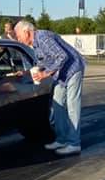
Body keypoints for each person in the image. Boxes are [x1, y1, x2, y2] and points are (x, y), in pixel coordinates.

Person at [13, 20, 84, 156]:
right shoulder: (36, 44)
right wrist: (26, 73)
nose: (18, 39)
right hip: (61, 73)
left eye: (18, 35)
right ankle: (62, 139)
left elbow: (62, 56)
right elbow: (42, 62)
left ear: (26, 32)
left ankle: (74, 143)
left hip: (73, 69)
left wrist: (45, 73)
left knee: (72, 105)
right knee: (58, 104)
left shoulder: (43, 38)